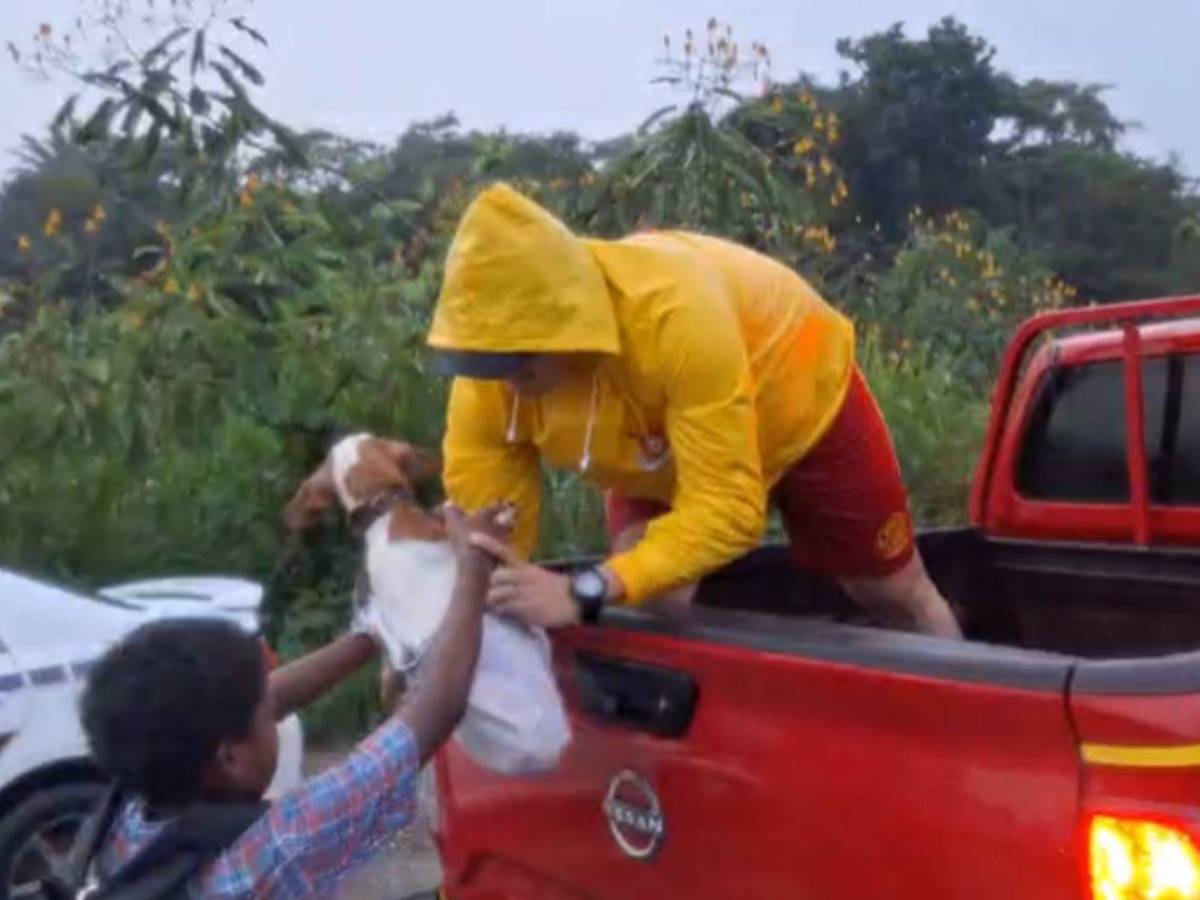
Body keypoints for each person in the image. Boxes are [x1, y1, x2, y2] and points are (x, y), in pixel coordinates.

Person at [428, 183, 961, 639]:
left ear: (567, 325)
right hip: (663, 437)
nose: (505, 380)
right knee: (653, 600)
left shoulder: (675, 319)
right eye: (485, 359)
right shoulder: (489, 380)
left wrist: (582, 592)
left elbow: (730, 511)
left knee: (889, 588)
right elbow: (490, 543)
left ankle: (968, 715)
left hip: (800, 397)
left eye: (518, 359)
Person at [78, 504, 509, 898]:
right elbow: (437, 706)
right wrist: (473, 568)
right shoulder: (276, 848)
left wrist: (371, 635)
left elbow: (266, 696)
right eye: (266, 714)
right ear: (230, 759)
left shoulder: (132, 807)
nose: (276, 705)